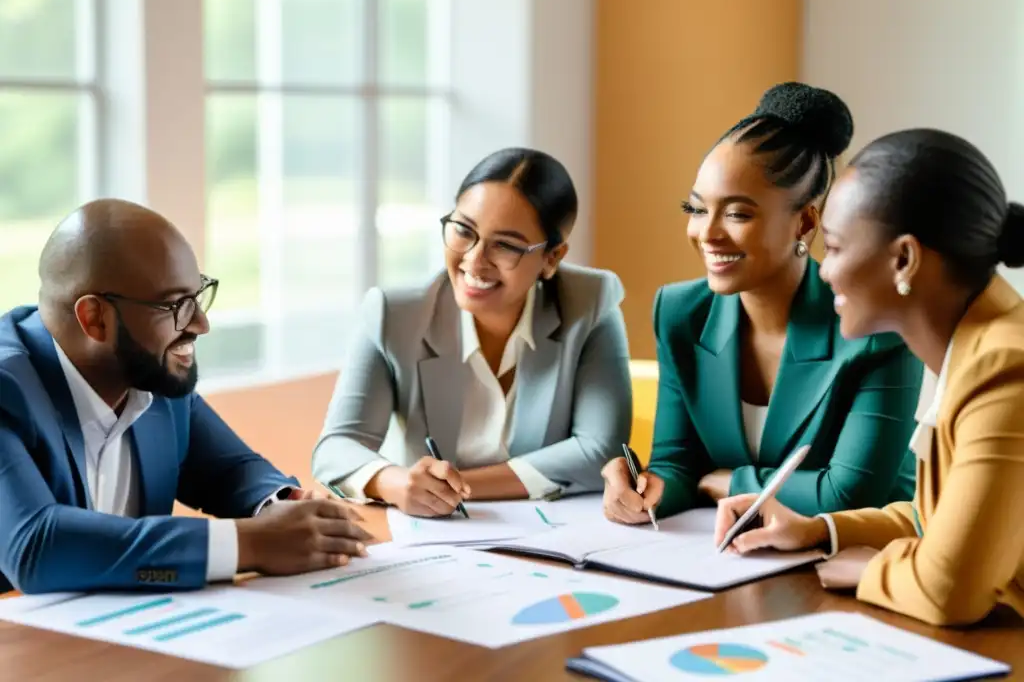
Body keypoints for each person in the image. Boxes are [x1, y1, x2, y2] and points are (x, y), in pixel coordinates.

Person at [714, 128, 1024, 627]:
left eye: (833, 247)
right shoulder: (975, 348)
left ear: (904, 259)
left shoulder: (1005, 369)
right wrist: (819, 531)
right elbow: (938, 519)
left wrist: (872, 569)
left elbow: (952, 590)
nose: (823, 271)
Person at [0, 200, 371, 594]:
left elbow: (228, 471)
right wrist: (250, 543)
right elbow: (36, 547)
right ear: (94, 318)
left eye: (198, 296)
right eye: (175, 305)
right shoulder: (9, 388)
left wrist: (279, 507)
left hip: (124, 636)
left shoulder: (148, 374)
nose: (201, 323)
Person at [602, 82, 923, 525]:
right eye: (695, 209)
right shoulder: (680, 313)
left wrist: (728, 482)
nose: (708, 233)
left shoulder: (876, 329)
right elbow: (678, 462)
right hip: (747, 556)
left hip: (870, 556)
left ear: (805, 221)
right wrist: (644, 488)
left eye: (737, 214)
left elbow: (846, 494)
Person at [312, 147, 632, 516]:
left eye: (506, 245)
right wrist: (398, 484)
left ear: (552, 258)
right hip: (433, 538)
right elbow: (335, 448)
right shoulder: (395, 314)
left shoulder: (589, 304)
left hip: (551, 537)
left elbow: (600, 452)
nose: (474, 260)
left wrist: (456, 489)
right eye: (464, 231)